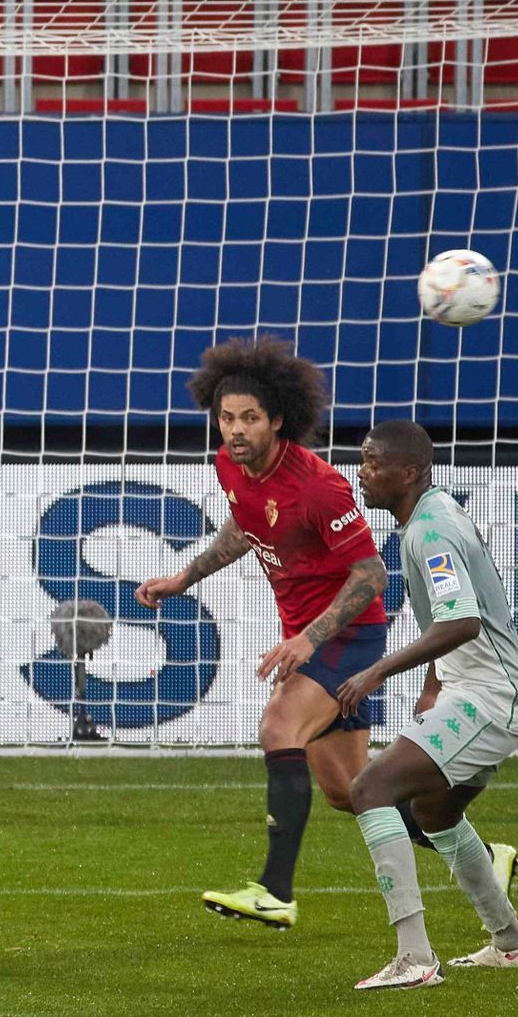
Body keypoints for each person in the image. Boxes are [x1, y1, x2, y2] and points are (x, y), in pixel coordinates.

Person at [136, 336, 388, 929]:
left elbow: (372, 573)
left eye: (249, 418)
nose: (235, 430)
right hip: (309, 634)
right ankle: (480, 854)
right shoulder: (230, 465)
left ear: (278, 419)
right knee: (352, 794)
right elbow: (243, 529)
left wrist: (308, 638)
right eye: (226, 418)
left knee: (277, 725)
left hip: (348, 635)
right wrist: (183, 577)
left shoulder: (320, 486)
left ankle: (276, 891)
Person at [338, 419, 518, 990]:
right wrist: (434, 687)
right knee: (435, 813)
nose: (363, 472)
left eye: (374, 463)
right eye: (363, 459)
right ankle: (511, 944)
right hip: (484, 688)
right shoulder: (431, 516)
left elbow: (461, 620)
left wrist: (378, 669)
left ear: (409, 473)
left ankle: (415, 958)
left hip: (491, 696)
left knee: (369, 790)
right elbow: (453, 617)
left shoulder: (430, 531)